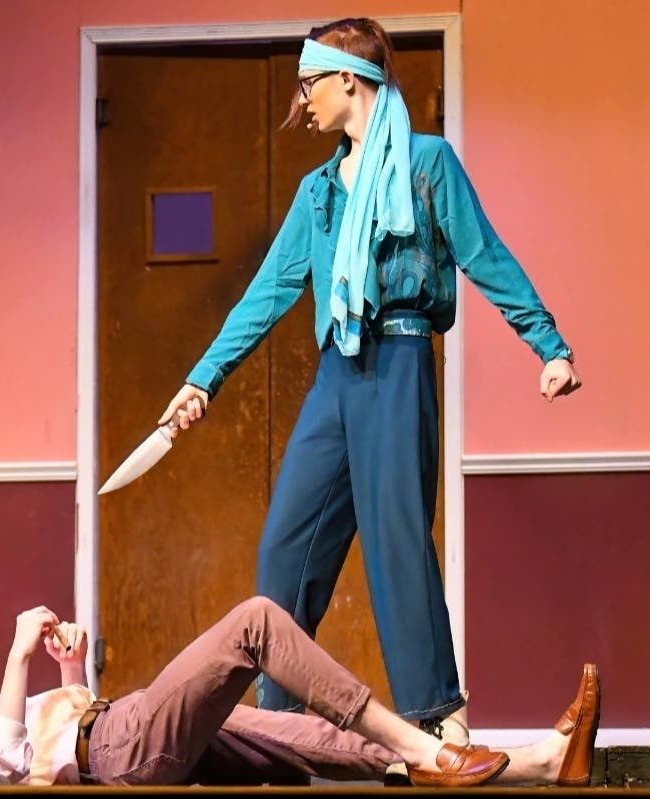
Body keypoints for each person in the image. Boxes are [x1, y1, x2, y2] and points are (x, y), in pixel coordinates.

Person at [158, 17, 581, 735]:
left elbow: (484, 254)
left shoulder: (426, 163)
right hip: (336, 374)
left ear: (347, 80)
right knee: (285, 546)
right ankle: (280, 722)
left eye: (309, 83)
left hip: (398, 362)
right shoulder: (318, 190)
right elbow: (267, 291)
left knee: (394, 542)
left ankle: (437, 721)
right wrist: (204, 377)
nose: (303, 100)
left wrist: (548, 345)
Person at [0, 593, 598, 788]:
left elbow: (54, 732)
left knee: (306, 734)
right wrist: (17, 658)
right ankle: (430, 749)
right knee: (254, 621)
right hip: (117, 749)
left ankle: (540, 759)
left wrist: (67, 666)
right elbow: (0, 768)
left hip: (112, 727)